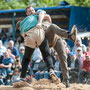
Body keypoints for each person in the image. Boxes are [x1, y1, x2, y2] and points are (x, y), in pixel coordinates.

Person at [21, 5, 78, 87]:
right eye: (29, 11)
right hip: (47, 38)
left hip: (57, 37)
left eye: (33, 10)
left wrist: (45, 22)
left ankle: (66, 80)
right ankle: (69, 36)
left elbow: (47, 16)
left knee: (63, 56)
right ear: (27, 13)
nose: (32, 12)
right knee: (52, 26)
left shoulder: (38, 14)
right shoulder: (29, 20)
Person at [16, 9, 60, 85]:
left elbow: (25, 36)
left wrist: (40, 22)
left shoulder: (23, 25)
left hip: (30, 35)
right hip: (40, 32)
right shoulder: (34, 16)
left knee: (26, 59)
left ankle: (22, 78)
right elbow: (46, 15)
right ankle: (51, 70)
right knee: (46, 55)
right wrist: (49, 24)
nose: (32, 12)